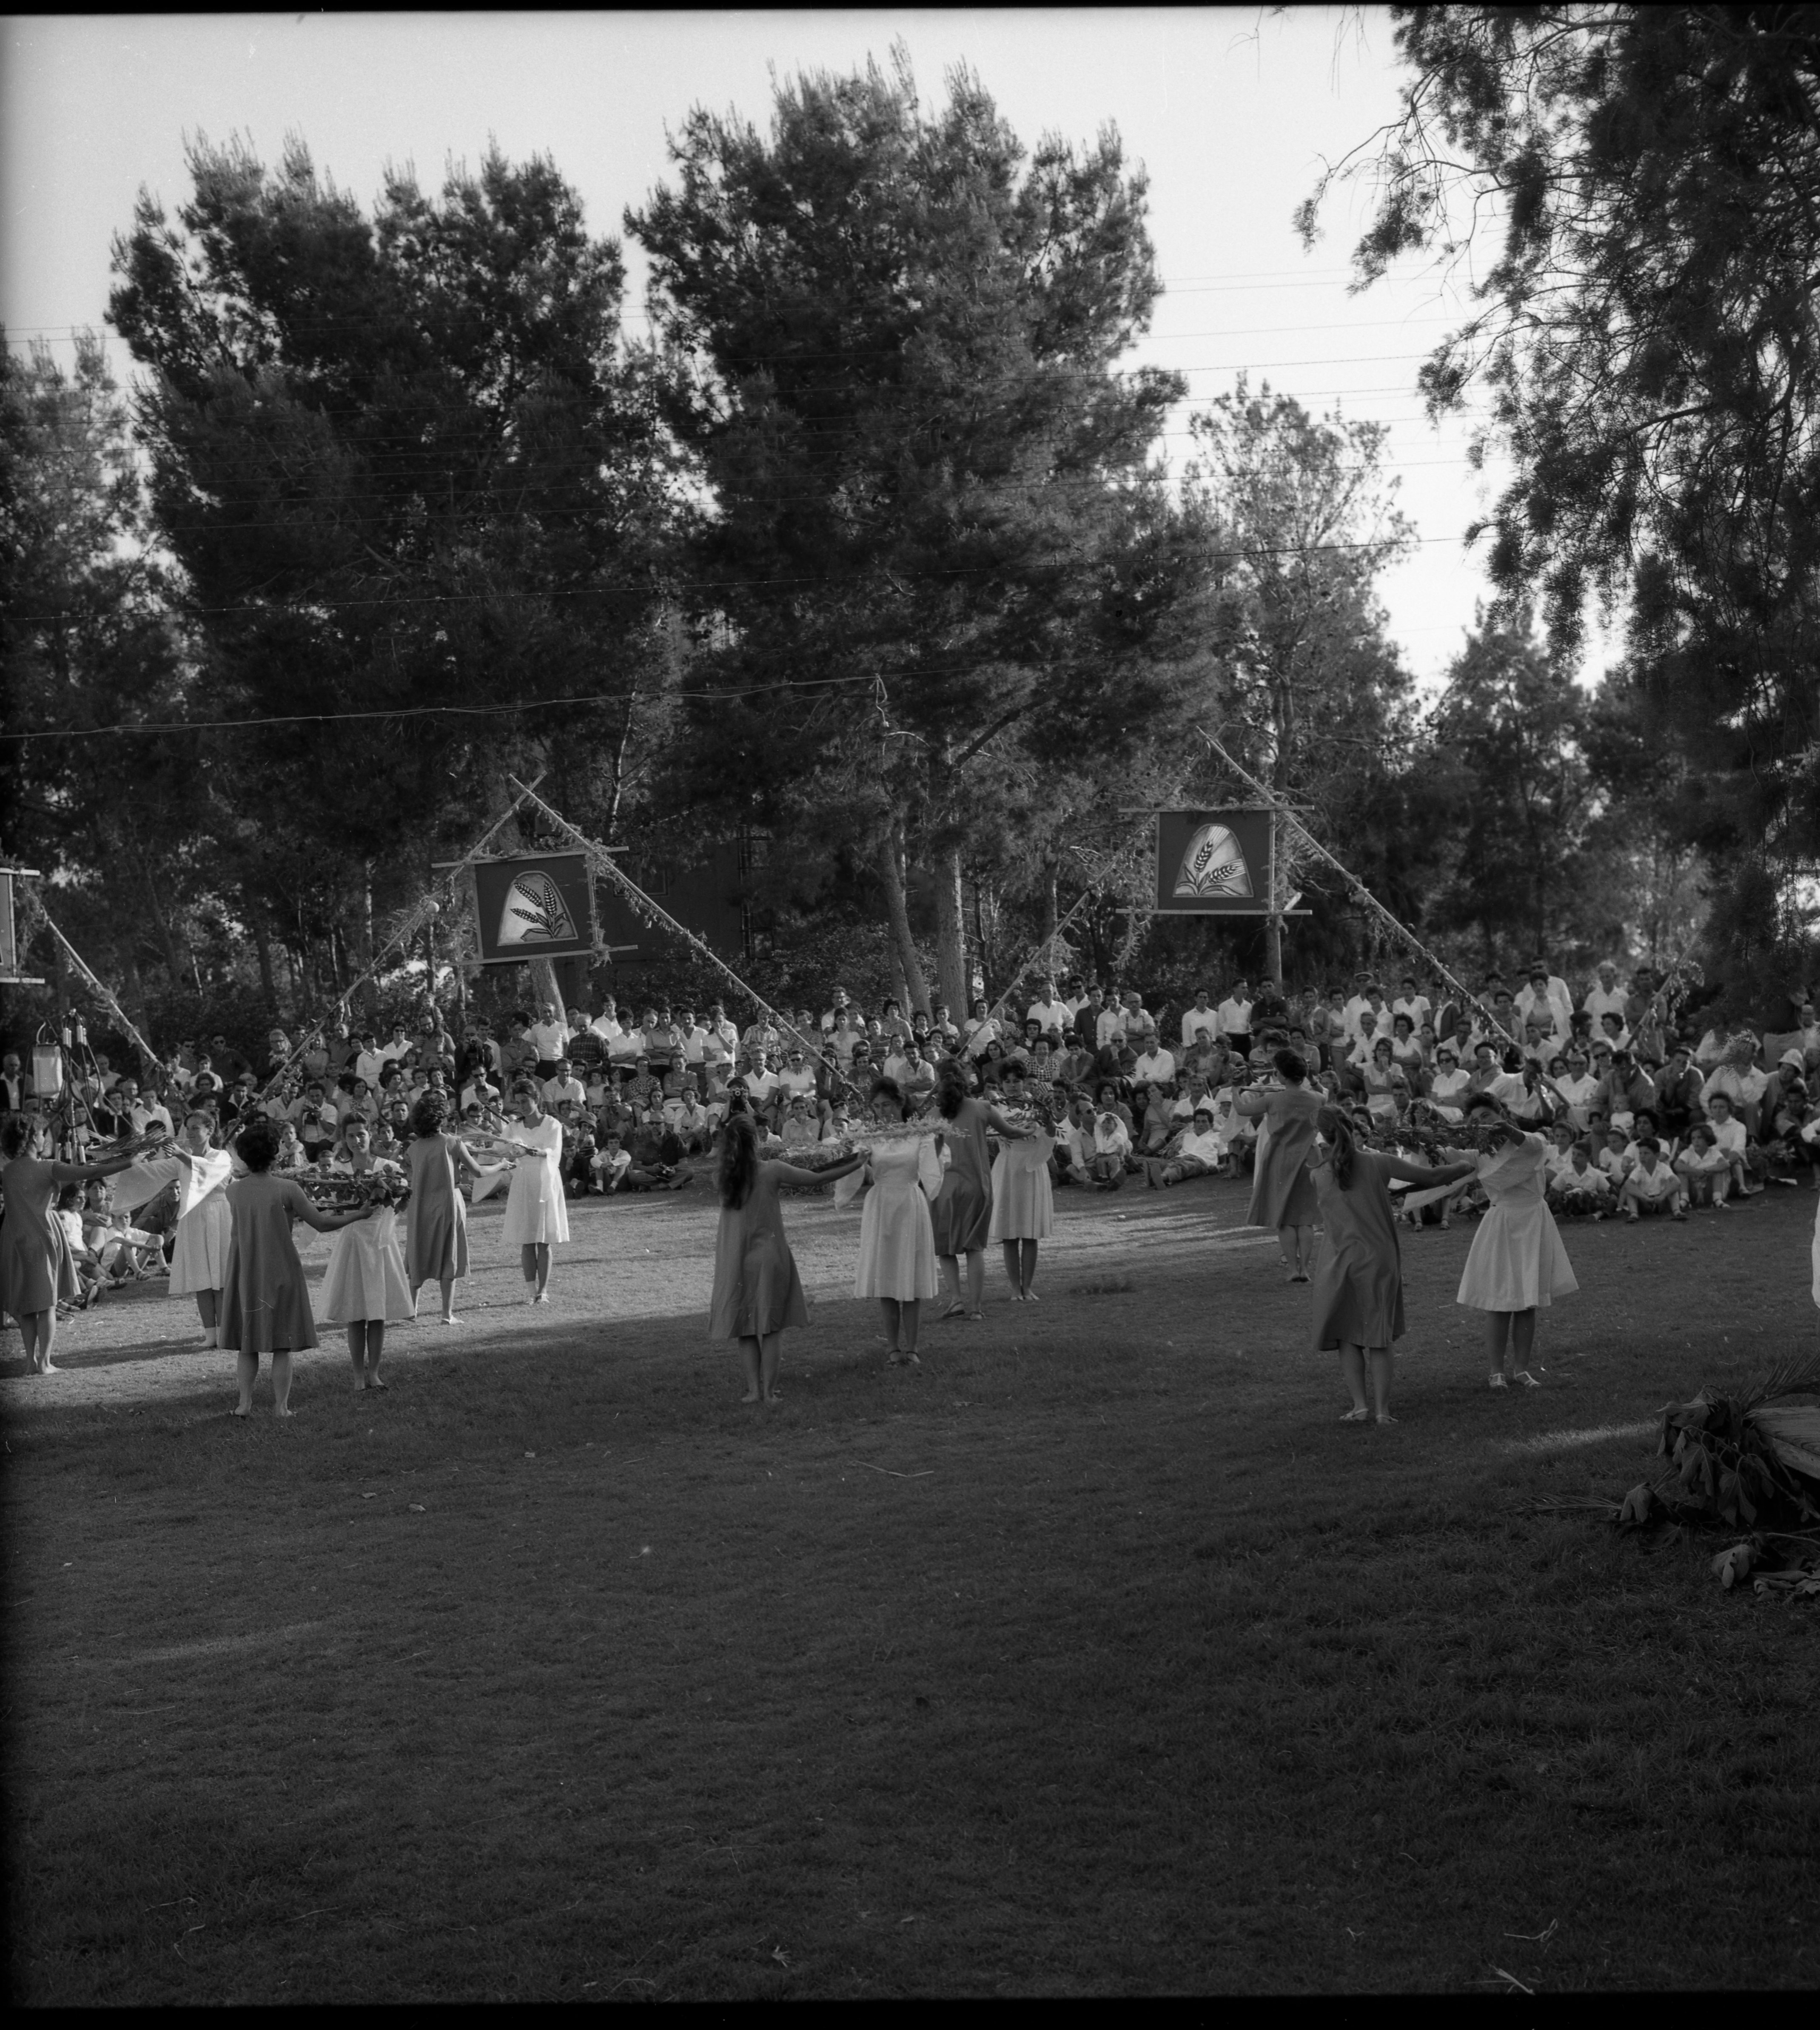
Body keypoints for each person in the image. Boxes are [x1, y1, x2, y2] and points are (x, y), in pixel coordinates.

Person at [1309, 1106, 1477, 1425]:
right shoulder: (1378, 1162)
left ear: (1323, 1137)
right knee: (1378, 1336)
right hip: (1377, 1258)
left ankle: (1360, 1406)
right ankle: (1383, 1411)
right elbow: (1432, 1177)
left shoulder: (1316, 1174)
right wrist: (1464, 1165)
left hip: (1336, 1260)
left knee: (1347, 1336)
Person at [218, 1116, 374, 1418]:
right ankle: (281, 1406)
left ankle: (244, 1404)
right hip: (281, 1270)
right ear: (276, 1152)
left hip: (245, 1273)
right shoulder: (287, 1188)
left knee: (247, 1343)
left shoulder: (233, 1191)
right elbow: (322, 1222)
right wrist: (359, 1214)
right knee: (282, 1344)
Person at [711, 1109, 864, 1404]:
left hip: (735, 1259)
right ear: (756, 1139)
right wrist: (856, 1161)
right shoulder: (772, 1169)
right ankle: (768, 1392)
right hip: (769, 1256)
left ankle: (753, 1391)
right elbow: (817, 1177)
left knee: (745, 1327)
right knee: (770, 1328)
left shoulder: (722, 1176)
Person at [0, 1115, 145, 1372]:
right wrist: (130, 1162)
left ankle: (31, 1363)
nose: (45, 1138)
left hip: (12, 1238)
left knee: (26, 1303)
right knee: (46, 1302)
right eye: (42, 1133)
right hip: (41, 1234)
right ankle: (45, 1363)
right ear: (33, 1138)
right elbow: (94, 1172)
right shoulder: (48, 1167)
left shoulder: (8, 1170)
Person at [1456, 1114, 1581, 1389]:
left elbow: (1532, 1143)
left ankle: (1521, 1369)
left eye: (1490, 1117)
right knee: (1499, 1301)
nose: (1488, 1126)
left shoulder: (1532, 1141)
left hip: (1533, 1221)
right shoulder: (1477, 1154)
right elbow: (1446, 1162)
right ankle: (1496, 1371)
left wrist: (1510, 1130)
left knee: (1527, 1301)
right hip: (1500, 1223)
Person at [929, 1059, 1036, 1319]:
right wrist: (1030, 1130)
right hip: (977, 1186)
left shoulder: (933, 1115)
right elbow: (1010, 1132)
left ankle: (956, 1300)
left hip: (944, 1188)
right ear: (966, 1081)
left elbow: (927, 1154)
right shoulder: (983, 1108)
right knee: (974, 1248)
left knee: (946, 1249)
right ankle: (976, 1308)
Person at [849, 1078, 942, 1364]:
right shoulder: (870, 1135)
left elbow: (931, 1169)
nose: (882, 1111)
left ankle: (912, 1347)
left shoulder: (919, 1133)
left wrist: (937, 1143)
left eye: (887, 1105)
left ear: (900, 1102)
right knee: (887, 1279)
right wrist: (858, 1160)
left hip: (909, 1203)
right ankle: (892, 1348)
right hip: (881, 1205)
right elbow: (857, 1172)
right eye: (876, 1107)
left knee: (911, 1279)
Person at [319, 1118, 413, 1391]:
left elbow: (401, 1200)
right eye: (350, 1136)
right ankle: (359, 1376)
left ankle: (375, 1373)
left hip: (381, 1241)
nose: (356, 1141)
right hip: (354, 1240)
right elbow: (331, 1206)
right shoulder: (340, 1170)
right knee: (356, 1313)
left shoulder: (389, 1168)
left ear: (369, 1135)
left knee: (377, 1312)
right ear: (344, 1139)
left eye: (361, 1135)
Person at [404, 1091, 501, 1324]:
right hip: (448, 1205)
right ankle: (447, 1315)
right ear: (440, 1118)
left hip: (419, 1208)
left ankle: (411, 1310)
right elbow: (478, 1171)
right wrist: (502, 1165)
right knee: (450, 1255)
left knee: (419, 1254)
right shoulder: (453, 1143)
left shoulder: (414, 1148)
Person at [1234, 1048, 1324, 1282]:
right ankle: (1305, 1269)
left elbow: (1242, 1109)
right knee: (1306, 1218)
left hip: (1281, 1159)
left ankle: (1293, 1270)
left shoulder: (1273, 1098)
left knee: (1284, 1217)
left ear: (1282, 1075)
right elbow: (1322, 1092)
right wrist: (1313, 1079)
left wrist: (1235, 1089)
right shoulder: (1316, 1098)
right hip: (1310, 1160)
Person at [166, 1110, 236, 1347]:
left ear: (210, 1130)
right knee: (202, 1280)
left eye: (196, 1128)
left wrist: (182, 1155)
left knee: (221, 1279)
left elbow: (208, 1172)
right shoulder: (179, 1160)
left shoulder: (222, 1156)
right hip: (194, 1219)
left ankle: (225, 1332)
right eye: (188, 1128)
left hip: (220, 1216)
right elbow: (154, 1171)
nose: (190, 1132)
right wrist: (133, 1159)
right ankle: (211, 1335)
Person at [501, 1081, 569, 1303]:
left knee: (544, 1241)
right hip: (523, 1183)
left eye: (525, 1101)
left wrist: (539, 1152)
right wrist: (512, 1151)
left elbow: (554, 1153)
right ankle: (531, 1292)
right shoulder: (512, 1127)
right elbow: (506, 1153)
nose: (521, 1106)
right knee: (527, 1240)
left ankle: (543, 1292)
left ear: (536, 1099)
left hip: (545, 1181)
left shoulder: (552, 1124)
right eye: (518, 1102)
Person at [989, 1092, 1056, 1304]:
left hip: (1032, 1168)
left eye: (1017, 1082)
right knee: (1009, 1234)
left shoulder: (1038, 1111)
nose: (1013, 1086)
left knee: (1030, 1232)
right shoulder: (997, 1111)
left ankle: (1027, 1287)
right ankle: (1015, 1288)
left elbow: (1051, 1135)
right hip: (1007, 1168)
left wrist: (1050, 1117)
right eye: (1008, 1082)